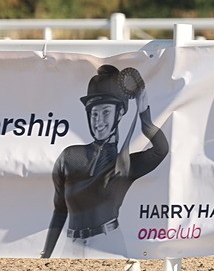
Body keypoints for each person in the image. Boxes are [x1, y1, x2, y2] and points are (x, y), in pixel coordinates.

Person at [41, 65, 169, 257]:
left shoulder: (126, 165)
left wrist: (144, 113)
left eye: (106, 112)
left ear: (119, 114)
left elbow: (161, 150)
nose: (98, 121)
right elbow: (60, 210)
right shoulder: (69, 157)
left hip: (108, 244)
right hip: (71, 246)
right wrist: (46, 254)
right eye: (94, 113)